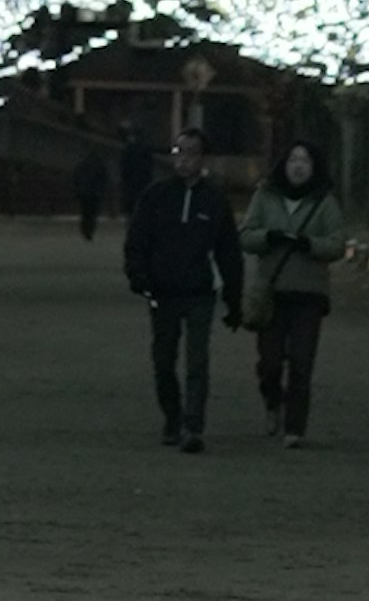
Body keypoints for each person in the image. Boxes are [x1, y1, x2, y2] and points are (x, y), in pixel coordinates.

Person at [124, 128, 241, 451]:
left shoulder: (214, 200)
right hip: (162, 290)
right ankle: (172, 416)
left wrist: (234, 296)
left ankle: (193, 424)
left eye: (191, 152)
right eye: (179, 151)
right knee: (163, 359)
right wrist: (139, 275)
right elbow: (138, 240)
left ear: (202, 158)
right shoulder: (156, 196)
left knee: (197, 361)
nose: (184, 158)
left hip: (200, 291)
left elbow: (228, 250)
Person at [242, 126, 347, 437]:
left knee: (302, 362)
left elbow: (337, 243)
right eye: (293, 160)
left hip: (309, 294)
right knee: (270, 363)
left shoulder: (324, 202)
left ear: (314, 167)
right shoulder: (265, 196)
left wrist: (310, 245)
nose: (298, 167)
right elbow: (245, 236)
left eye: (305, 161)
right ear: (283, 165)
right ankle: (273, 402)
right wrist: (268, 237)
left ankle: (295, 428)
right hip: (272, 292)